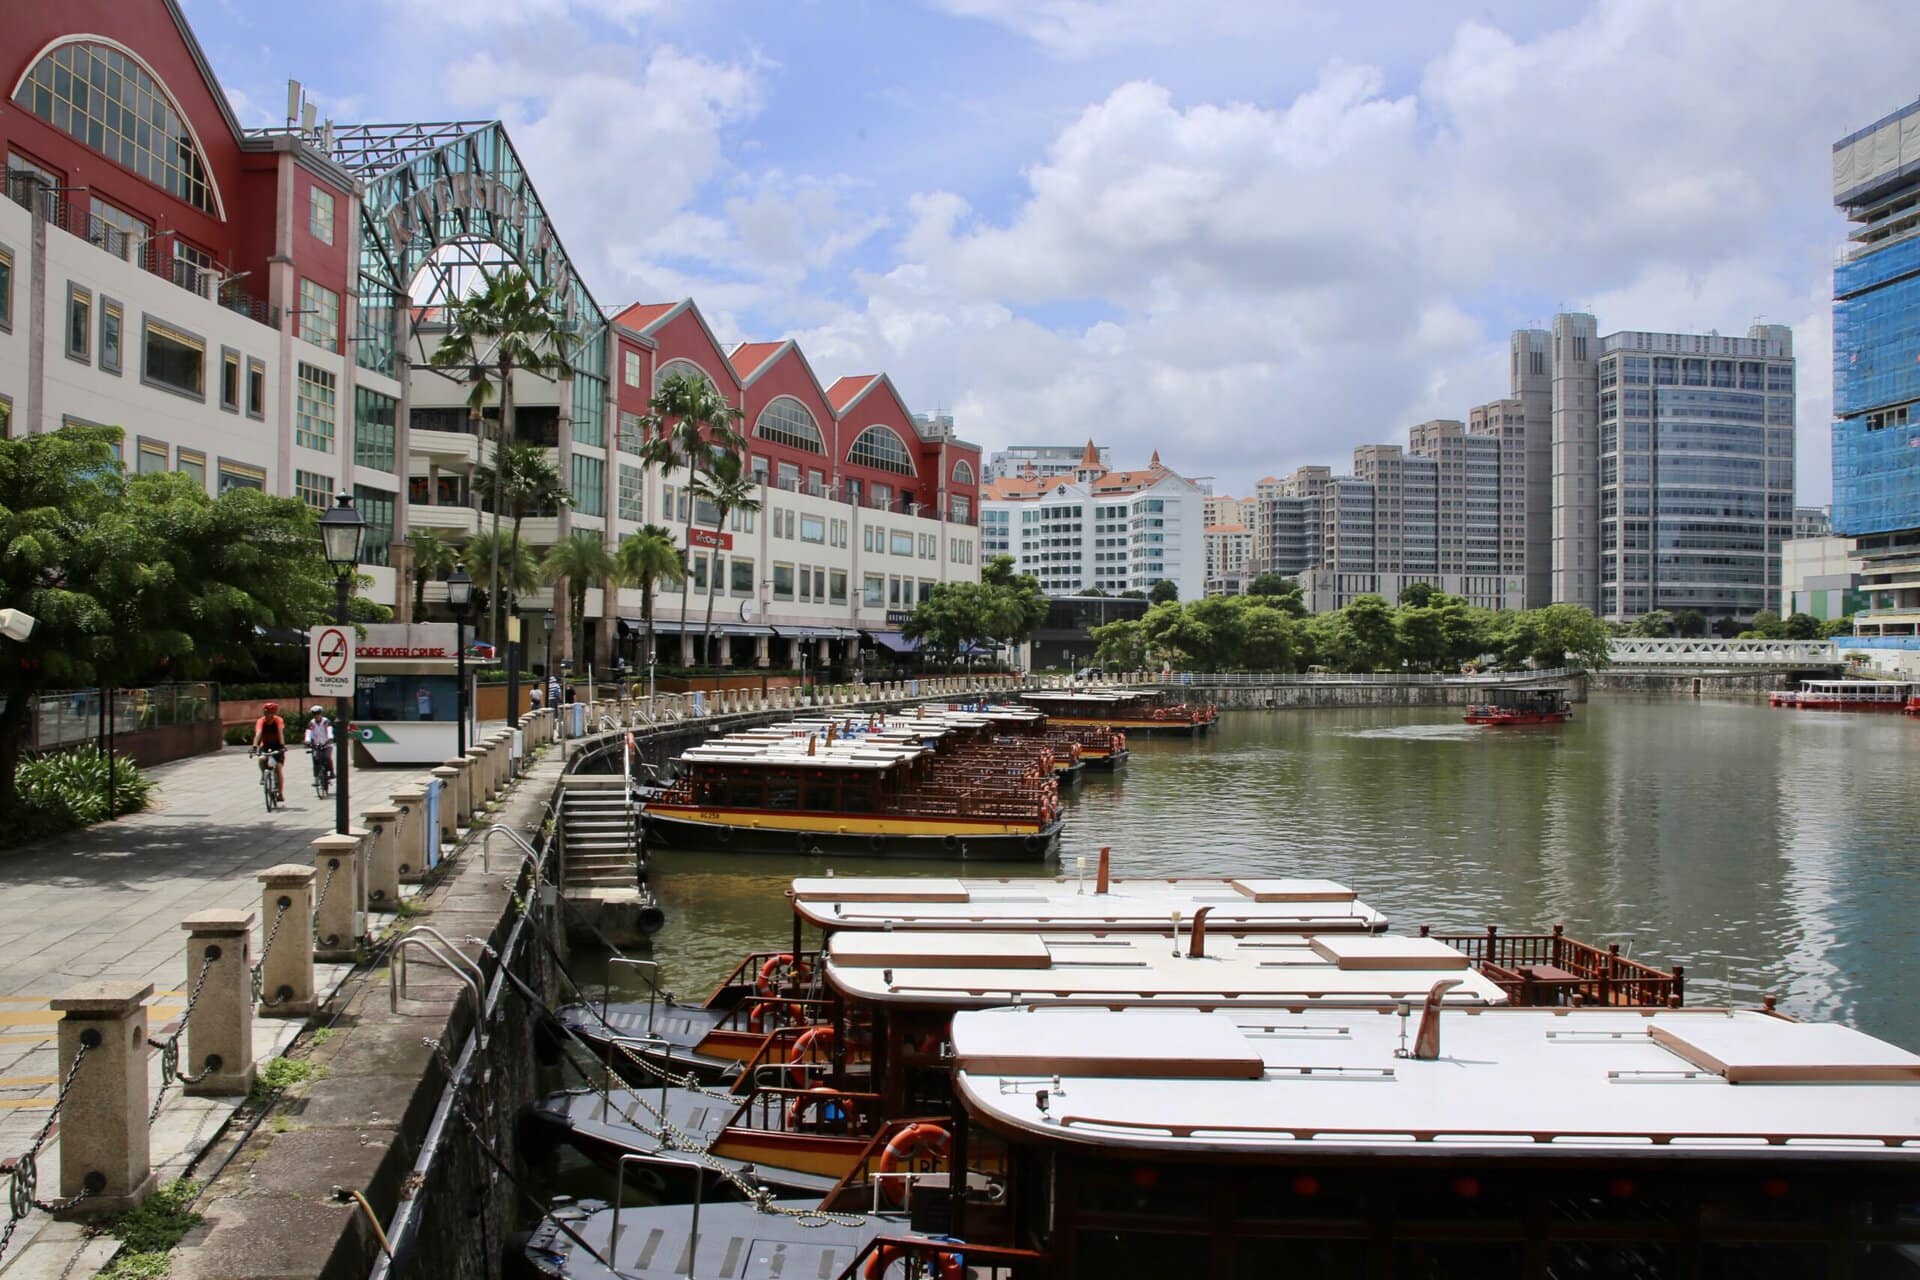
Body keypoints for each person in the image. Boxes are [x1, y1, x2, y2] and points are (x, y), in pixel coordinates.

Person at [252, 701, 287, 800]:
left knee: (278, 768)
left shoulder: (278, 720)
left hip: (277, 746)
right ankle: (264, 775)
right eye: (266, 712)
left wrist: (282, 746)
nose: (267, 715)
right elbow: (258, 733)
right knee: (261, 759)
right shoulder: (261, 721)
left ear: (274, 713)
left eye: (270, 713)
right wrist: (254, 746)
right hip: (265, 745)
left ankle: (280, 793)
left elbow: (280, 733)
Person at [304, 707, 334, 788]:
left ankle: (331, 772)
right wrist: (307, 741)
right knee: (316, 760)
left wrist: (330, 738)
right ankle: (316, 779)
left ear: (321, 714)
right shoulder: (311, 723)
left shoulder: (326, 722)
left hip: (327, 743)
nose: (316, 716)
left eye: (318, 714)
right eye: (314, 714)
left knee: (327, 757)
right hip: (316, 745)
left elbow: (329, 731)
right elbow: (308, 733)